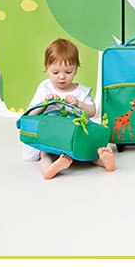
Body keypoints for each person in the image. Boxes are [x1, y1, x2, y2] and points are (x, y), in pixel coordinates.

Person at [24, 39, 115, 179]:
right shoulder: (45, 88)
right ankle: (49, 169)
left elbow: (92, 112)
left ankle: (103, 161)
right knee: (45, 154)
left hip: (75, 137)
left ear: (76, 69)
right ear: (47, 68)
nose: (61, 77)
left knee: (90, 151)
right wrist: (45, 103)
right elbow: (30, 114)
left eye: (68, 72)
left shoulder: (81, 91)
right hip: (52, 136)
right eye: (55, 72)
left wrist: (79, 103)